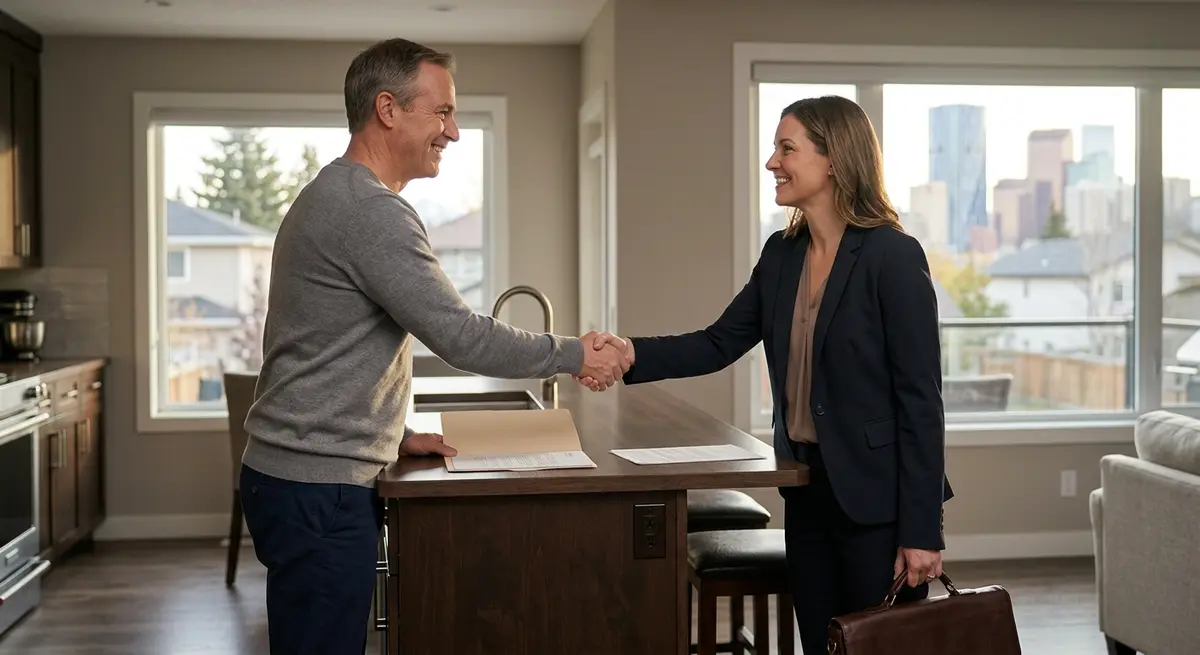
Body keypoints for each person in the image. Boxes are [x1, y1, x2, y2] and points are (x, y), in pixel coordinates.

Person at [238, 37, 630, 655]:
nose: (452, 131)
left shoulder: (338, 196)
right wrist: (576, 353)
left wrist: (389, 434)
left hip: (303, 474)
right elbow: (460, 336)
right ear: (388, 109)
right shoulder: (370, 212)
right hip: (320, 484)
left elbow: (329, 346)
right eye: (441, 111)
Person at [579, 95, 952, 653]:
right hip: (805, 490)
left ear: (833, 160)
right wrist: (630, 353)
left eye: (786, 148)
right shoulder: (782, 253)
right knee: (822, 644)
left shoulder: (892, 257)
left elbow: (921, 401)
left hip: (877, 503)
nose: (772, 162)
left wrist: (922, 531)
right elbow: (718, 342)